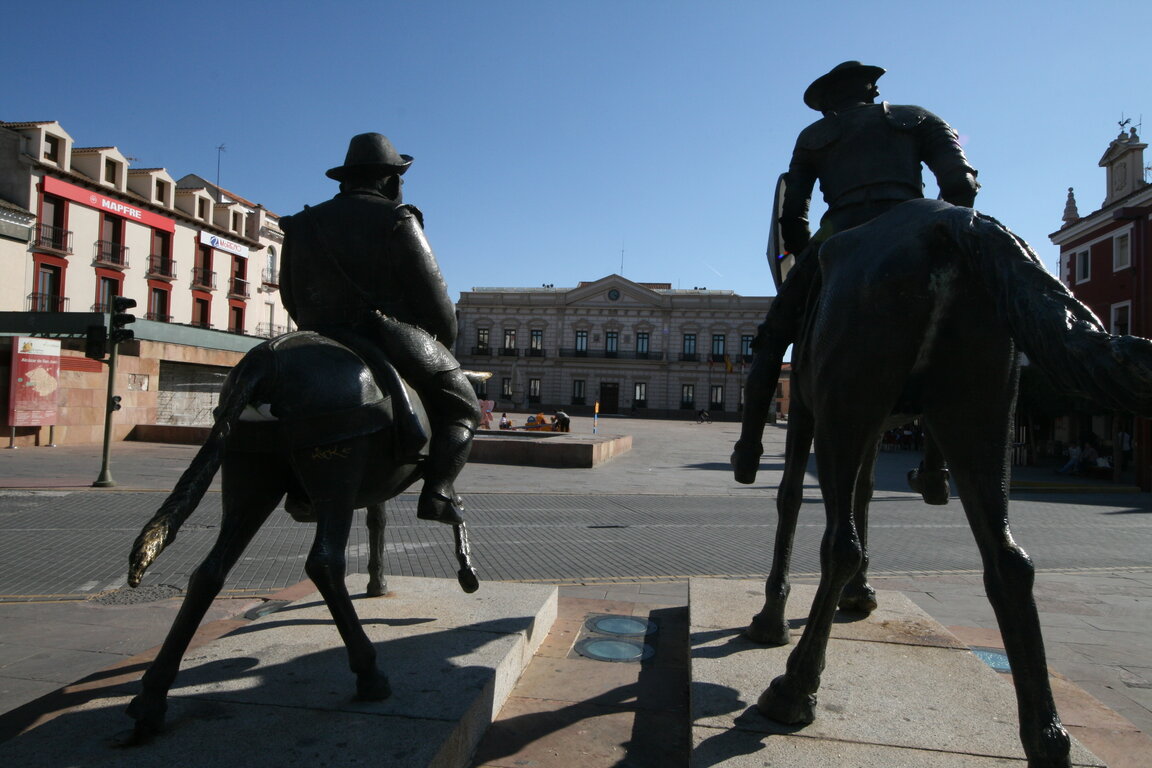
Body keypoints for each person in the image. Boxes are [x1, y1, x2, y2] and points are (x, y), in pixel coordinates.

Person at [733, 61, 979, 497]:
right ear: (872, 90)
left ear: (829, 104)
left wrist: (809, 260)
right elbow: (961, 185)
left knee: (772, 339)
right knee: (965, 333)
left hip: (841, 232)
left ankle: (749, 449)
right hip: (919, 226)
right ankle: (935, 468)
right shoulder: (918, 117)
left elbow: (792, 217)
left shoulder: (814, 136)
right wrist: (936, 232)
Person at [280, 133, 480, 525]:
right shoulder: (397, 217)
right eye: (399, 178)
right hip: (382, 335)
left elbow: (289, 295)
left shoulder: (301, 223)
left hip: (313, 337)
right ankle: (438, 493)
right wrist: (441, 352)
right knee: (463, 408)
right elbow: (438, 304)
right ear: (390, 180)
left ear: (345, 180)